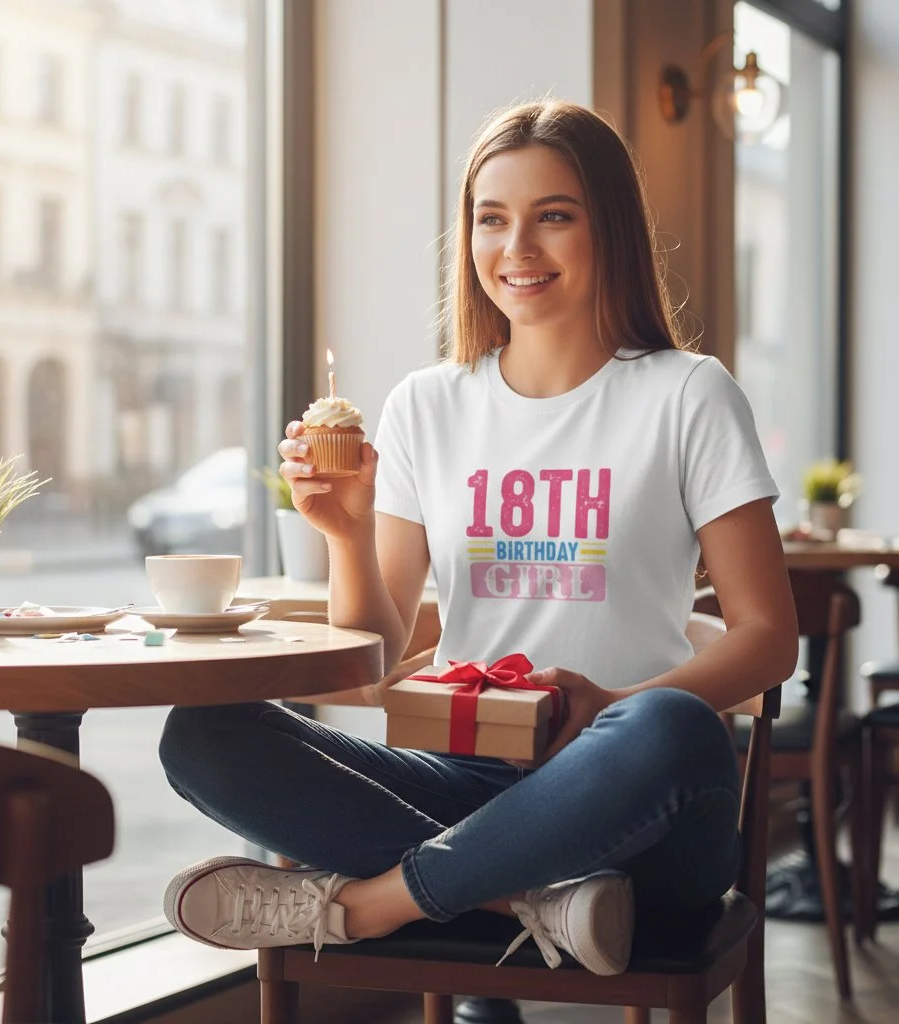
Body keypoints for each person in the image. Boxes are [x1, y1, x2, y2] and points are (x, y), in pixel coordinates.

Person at [158, 99, 798, 976]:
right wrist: (345, 535)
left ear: (608, 227)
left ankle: (365, 909)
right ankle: (533, 900)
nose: (517, 250)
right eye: (491, 220)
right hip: (468, 780)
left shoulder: (689, 393)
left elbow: (769, 638)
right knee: (203, 736)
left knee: (671, 725)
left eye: (554, 217)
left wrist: (609, 706)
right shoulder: (429, 403)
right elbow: (379, 655)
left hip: (636, 798)